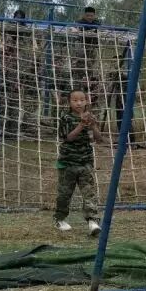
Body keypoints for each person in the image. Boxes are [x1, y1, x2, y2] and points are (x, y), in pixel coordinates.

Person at [54, 88, 102, 236]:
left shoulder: (90, 117)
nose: (79, 103)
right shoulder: (65, 118)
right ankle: (60, 219)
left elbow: (98, 138)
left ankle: (93, 221)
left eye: (82, 100)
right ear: (69, 102)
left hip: (85, 162)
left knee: (89, 193)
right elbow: (69, 138)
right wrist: (81, 124)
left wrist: (93, 125)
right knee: (65, 193)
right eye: (75, 100)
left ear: (86, 101)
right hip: (68, 163)